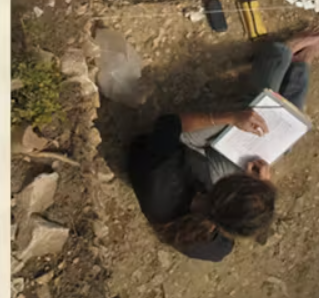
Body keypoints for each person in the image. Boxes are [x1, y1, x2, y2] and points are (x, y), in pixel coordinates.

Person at [127, 31, 319, 262]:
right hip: (195, 166)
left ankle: (283, 52)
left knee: (253, 111)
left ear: (224, 182)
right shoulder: (217, 246)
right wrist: (263, 185)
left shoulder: (162, 176)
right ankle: (302, 63)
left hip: (172, 146)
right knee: (279, 146)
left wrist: (230, 116)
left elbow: (168, 123)